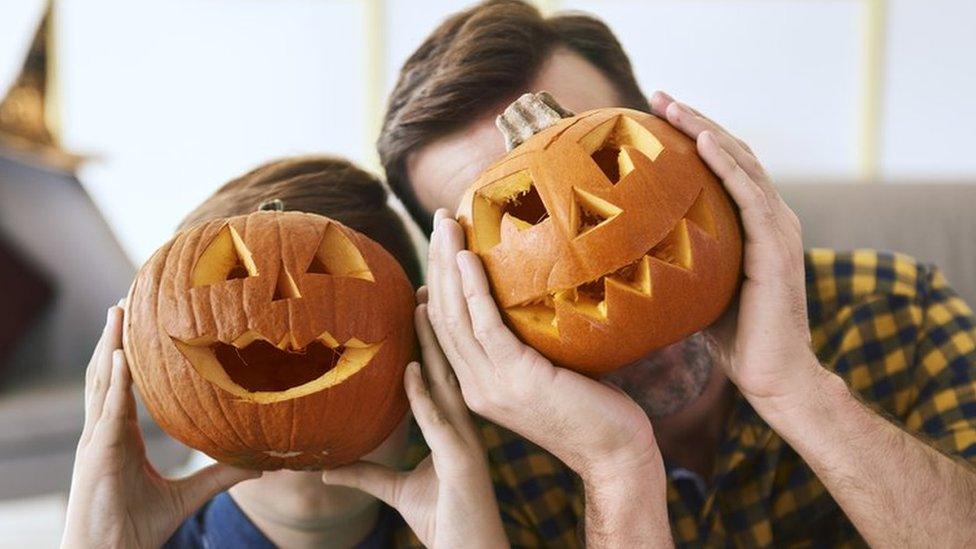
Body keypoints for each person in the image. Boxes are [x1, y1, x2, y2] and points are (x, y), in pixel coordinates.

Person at [379, 1, 976, 546]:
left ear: (684, 144)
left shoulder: (901, 309)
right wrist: (615, 468)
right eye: (519, 214)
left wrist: (800, 392)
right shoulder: (469, 458)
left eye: (604, 157)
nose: (585, 234)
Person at [60, 157, 508, 548]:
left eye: (330, 275)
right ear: (148, 361)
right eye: (233, 280)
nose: (302, 413)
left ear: (427, 357)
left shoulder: (515, 511)